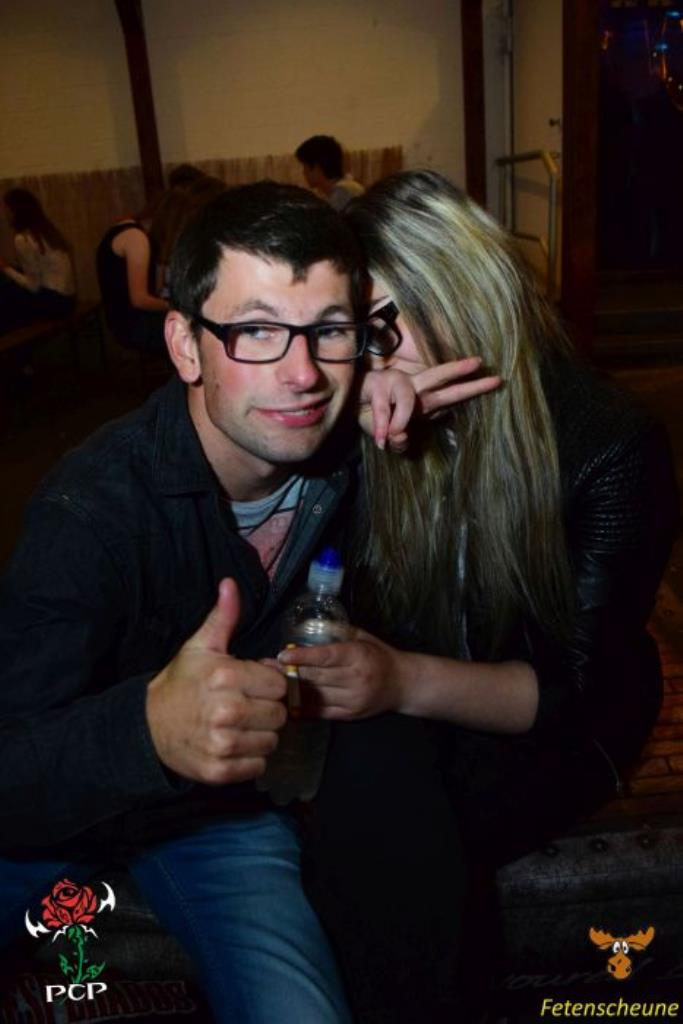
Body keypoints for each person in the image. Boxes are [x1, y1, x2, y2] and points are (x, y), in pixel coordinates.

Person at [0, 180, 496, 1023]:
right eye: (257, 331)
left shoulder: (359, 448)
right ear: (185, 346)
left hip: (217, 821)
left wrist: (423, 451)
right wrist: (147, 729)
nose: (301, 375)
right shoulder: (90, 512)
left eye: (328, 331)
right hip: (58, 821)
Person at [280, 170, 681, 1022]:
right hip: (412, 698)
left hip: (558, 718)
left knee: (385, 837)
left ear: (455, 289)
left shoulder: (606, 442)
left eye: (375, 328)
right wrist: (335, 440)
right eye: (347, 336)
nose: (362, 361)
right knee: (359, 798)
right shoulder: (359, 414)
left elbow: (571, 691)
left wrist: (397, 681)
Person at [96, 200, 170, 354]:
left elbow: (155, 289)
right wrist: (174, 306)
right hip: (132, 325)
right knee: (191, 327)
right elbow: (139, 300)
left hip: (119, 320)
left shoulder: (124, 228)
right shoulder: (136, 238)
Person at [0, 188, 75, 335]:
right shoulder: (47, 231)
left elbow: (33, 286)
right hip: (68, 300)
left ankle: (10, 344)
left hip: (54, 303)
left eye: (7, 210)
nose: (5, 214)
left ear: (15, 212)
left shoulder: (22, 239)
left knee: (4, 295)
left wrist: (5, 267)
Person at [295, 135, 365, 211]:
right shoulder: (347, 187)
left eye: (305, 166)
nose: (304, 172)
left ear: (317, 167)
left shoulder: (343, 192)